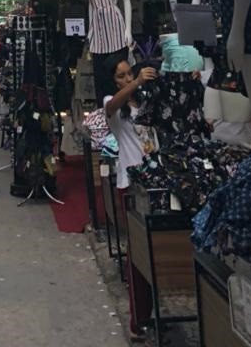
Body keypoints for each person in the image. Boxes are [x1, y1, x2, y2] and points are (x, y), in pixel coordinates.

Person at [104, 58, 157, 340]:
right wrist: (136, 83)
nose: (127, 79)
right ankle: (139, 320)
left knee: (155, 252)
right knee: (137, 255)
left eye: (130, 74)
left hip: (156, 182)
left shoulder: (148, 102)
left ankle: (152, 314)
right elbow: (111, 106)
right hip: (130, 184)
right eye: (121, 76)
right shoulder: (114, 105)